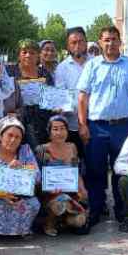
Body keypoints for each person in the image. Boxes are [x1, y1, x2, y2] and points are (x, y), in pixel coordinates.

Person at [76, 26, 128, 225]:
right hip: (97, 127)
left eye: (114, 39)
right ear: (100, 42)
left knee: (121, 170)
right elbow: (82, 97)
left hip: (124, 126)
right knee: (95, 170)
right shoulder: (92, 66)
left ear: (120, 42)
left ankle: (122, 211)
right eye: (106, 39)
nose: (111, 43)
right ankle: (96, 209)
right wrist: (82, 124)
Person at [0, 117, 41, 242]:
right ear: (0, 136)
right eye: (9, 135)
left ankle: (23, 229)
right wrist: (2, 194)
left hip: (20, 197)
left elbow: (38, 177)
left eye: (18, 137)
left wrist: (22, 168)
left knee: (33, 204)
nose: (13, 140)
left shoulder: (25, 151)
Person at [35, 116, 90, 236]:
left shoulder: (72, 147)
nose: (59, 133)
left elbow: (76, 171)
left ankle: (65, 221)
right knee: (59, 204)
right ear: (49, 132)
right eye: (55, 129)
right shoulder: (42, 150)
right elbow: (36, 176)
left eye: (62, 128)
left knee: (79, 221)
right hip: (49, 194)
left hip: (71, 192)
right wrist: (47, 188)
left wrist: (82, 188)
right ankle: (49, 222)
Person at [53, 27, 90, 160]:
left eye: (81, 41)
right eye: (73, 42)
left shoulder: (96, 63)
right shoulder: (62, 68)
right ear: (68, 46)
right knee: (74, 162)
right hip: (72, 125)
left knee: (95, 164)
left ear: (86, 43)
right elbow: (61, 96)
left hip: (95, 123)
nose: (77, 45)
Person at [15, 40, 55, 147]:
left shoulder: (44, 73)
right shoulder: (11, 72)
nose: (28, 55)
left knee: (40, 151)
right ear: (19, 55)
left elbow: (52, 96)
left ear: (38, 56)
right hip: (18, 120)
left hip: (42, 121)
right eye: (24, 52)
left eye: (32, 53)